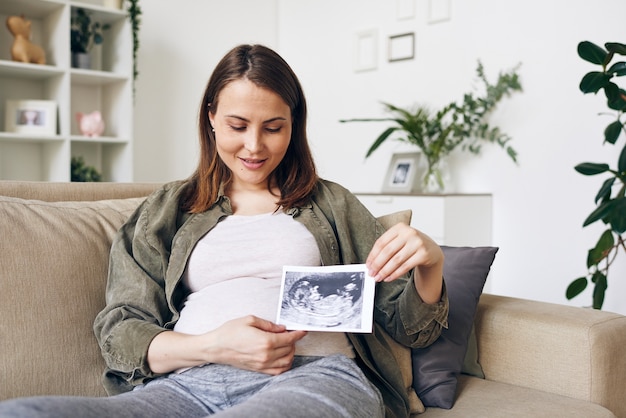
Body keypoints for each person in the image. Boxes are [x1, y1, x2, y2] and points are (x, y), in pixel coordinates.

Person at [0, 44, 448, 418]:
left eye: (273, 128)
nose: (254, 146)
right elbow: (122, 334)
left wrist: (432, 264)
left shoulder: (332, 204)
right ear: (211, 116)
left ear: (294, 126)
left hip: (317, 375)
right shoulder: (166, 211)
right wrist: (214, 345)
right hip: (186, 386)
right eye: (238, 126)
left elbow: (411, 329)